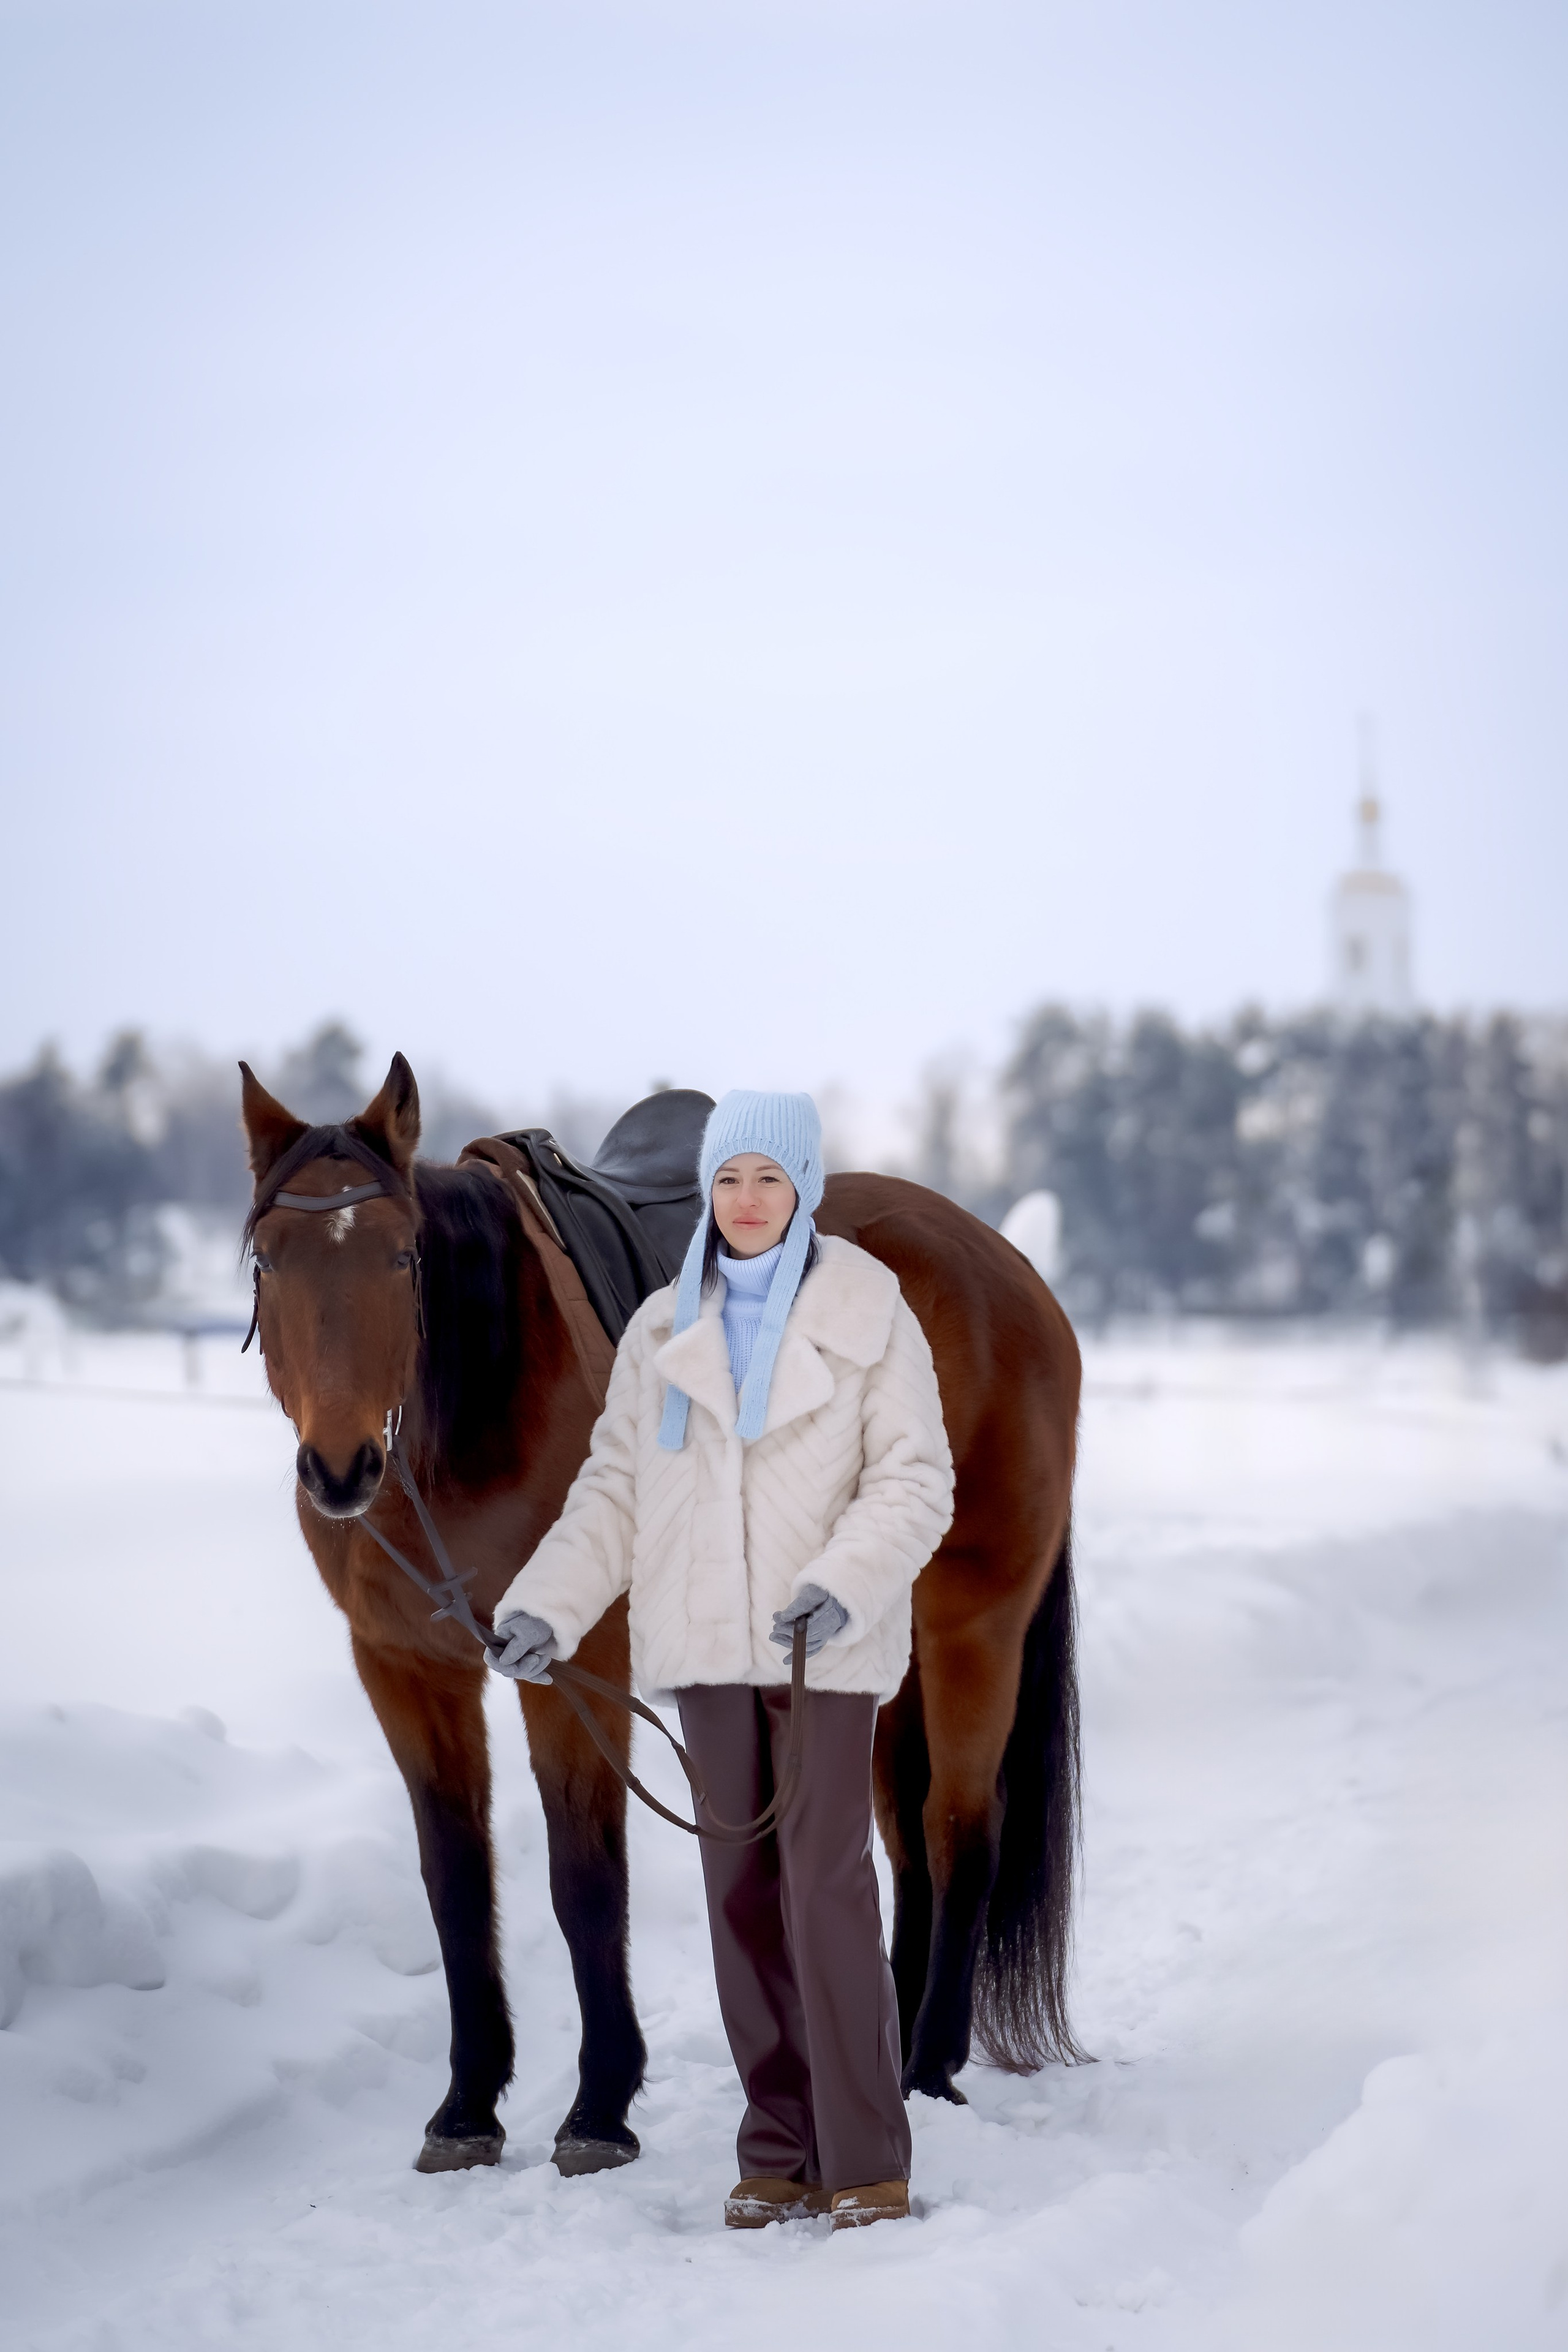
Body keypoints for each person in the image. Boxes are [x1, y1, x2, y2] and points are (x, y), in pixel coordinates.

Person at [489, 1089, 954, 2230]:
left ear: (804, 1189)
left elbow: (914, 1479)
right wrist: (547, 1605)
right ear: (707, 1189)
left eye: (769, 1179)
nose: (748, 1200)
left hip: (821, 1648)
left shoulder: (870, 1311)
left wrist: (845, 1580)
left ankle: (866, 2157)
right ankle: (778, 2149)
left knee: (826, 1889)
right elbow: (613, 1488)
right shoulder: (661, 1329)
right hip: (704, 1649)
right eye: (729, 1179)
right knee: (738, 1896)